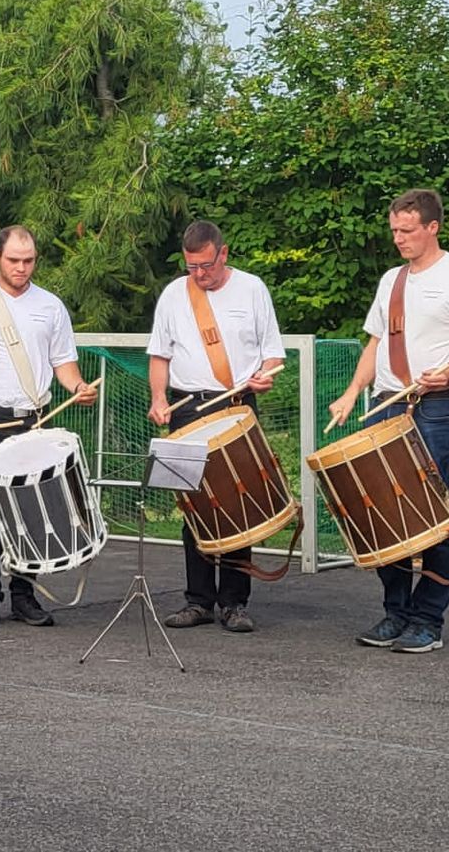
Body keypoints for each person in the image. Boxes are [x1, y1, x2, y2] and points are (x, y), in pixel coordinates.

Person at [328, 189, 449, 654]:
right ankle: (396, 613)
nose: (399, 239)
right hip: (387, 402)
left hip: (439, 406)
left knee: (431, 515)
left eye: (407, 231)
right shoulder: (391, 281)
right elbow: (374, 344)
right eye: (394, 231)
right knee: (385, 512)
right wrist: (349, 394)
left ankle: (428, 619)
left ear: (432, 227)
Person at [0, 226, 98, 628]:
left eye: (28, 261)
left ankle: (23, 596)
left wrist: (77, 386)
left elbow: (64, 363)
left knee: (30, 508)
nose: (22, 268)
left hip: (34, 418)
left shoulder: (51, 306)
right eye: (14, 260)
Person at [145, 220, 285, 633]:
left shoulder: (253, 288)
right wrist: (158, 398)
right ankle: (199, 600)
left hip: (238, 405)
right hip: (189, 407)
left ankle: (234, 602)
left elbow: (273, 355)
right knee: (194, 505)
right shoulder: (175, 294)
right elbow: (159, 355)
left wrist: (266, 374)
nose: (199, 274)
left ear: (223, 254)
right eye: (191, 267)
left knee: (239, 501)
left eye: (206, 265)